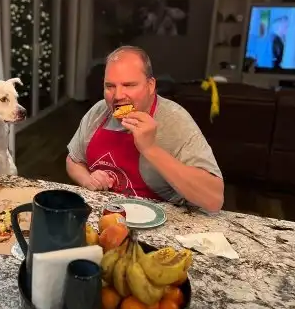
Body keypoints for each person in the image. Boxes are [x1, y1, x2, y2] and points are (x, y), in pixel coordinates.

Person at [66, 46, 224, 213]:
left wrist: (150, 148)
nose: (118, 95)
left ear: (150, 85)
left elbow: (213, 199)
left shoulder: (175, 120)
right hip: (104, 216)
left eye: (129, 85)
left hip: (158, 219)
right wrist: (88, 179)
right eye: (110, 86)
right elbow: (73, 160)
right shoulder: (99, 111)